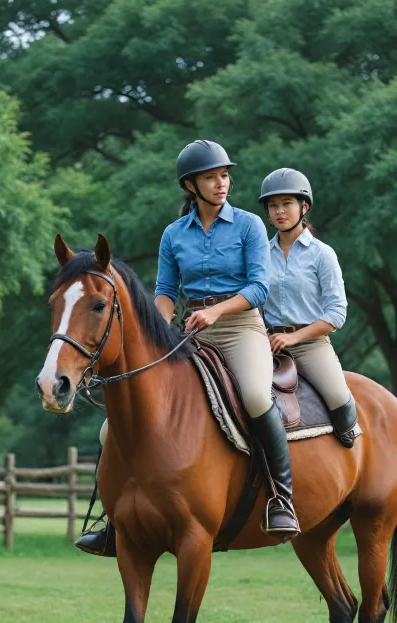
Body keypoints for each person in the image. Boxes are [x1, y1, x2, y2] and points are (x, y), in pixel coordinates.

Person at [76, 141, 300, 557]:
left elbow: (259, 286)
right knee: (114, 426)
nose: (222, 183)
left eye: (225, 175)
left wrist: (216, 313)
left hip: (240, 328)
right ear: (190, 185)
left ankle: (281, 498)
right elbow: (164, 291)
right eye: (212, 177)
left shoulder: (250, 225)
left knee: (255, 395)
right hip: (188, 331)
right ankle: (112, 518)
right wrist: (156, 325)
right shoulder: (174, 234)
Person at [260, 168, 359, 448]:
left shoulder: (322, 254)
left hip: (310, 345)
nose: (280, 211)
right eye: (273, 205)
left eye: (287, 204)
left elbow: (337, 313)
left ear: (304, 207)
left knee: (338, 395)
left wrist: (293, 337)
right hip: (266, 344)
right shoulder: (259, 255)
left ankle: (348, 443)